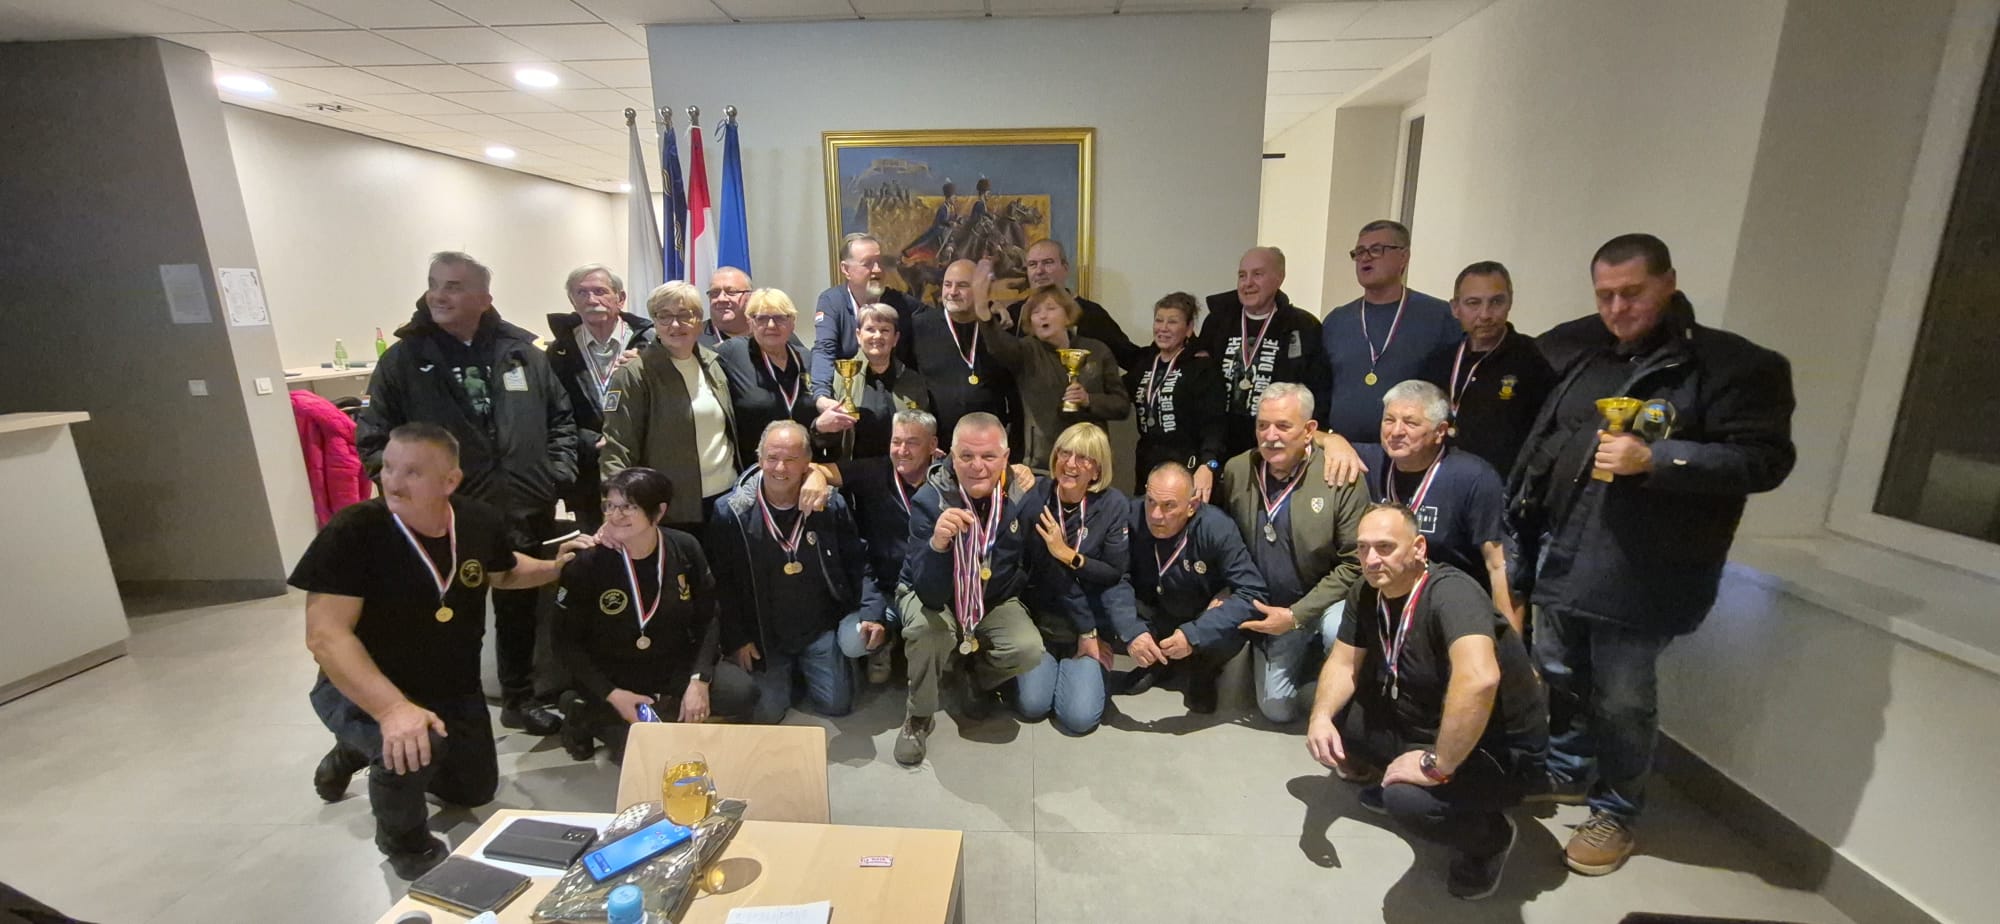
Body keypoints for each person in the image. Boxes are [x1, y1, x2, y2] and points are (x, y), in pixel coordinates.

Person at [1507, 233, 1795, 875]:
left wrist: (1658, 459)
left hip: (1641, 568)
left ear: (1668, 282)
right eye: (1605, 295)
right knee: (1560, 671)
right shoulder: (1587, 356)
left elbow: (1766, 460)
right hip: (1563, 550)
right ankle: (1567, 770)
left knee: (1622, 698)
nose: (1617, 308)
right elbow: (1548, 444)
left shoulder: (1731, 366)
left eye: (1632, 292)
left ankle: (1616, 810)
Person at [296, 424, 586, 878]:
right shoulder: (354, 531)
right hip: (365, 688)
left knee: (474, 789)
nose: (393, 482)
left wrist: (555, 567)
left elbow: (504, 572)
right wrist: (392, 710)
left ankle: (356, 749)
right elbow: (326, 636)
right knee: (412, 745)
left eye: (411, 472)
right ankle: (404, 841)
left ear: (450, 481)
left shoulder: (477, 521)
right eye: (388, 468)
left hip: (451, 686)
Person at [356, 251, 577, 738]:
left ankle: (519, 698)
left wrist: (555, 475)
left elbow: (560, 419)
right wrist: (409, 495)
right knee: (446, 614)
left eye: (453, 286)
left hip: (522, 503)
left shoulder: (522, 354)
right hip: (444, 515)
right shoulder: (404, 360)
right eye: (434, 284)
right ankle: (428, 707)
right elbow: (373, 439)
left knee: (519, 608)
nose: (439, 295)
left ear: (484, 298)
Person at [1305, 503, 1548, 901]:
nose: (1371, 559)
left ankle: (1490, 838)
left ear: (1418, 548)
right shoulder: (1368, 591)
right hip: (1425, 717)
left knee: (1406, 801)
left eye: (1385, 547)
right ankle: (1402, 770)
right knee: (1337, 717)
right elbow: (1344, 661)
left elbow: (1480, 679)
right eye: (1363, 548)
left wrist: (1437, 765)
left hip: (1496, 747)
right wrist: (1319, 718)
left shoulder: (1452, 593)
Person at [553, 468, 755, 763]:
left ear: (658, 512)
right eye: (609, 506)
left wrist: (699, 680)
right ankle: (582, 712)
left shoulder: (685, 547)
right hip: (614, 672)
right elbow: (564, 642)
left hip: (671, 661)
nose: (615, 516)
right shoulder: (588, 562)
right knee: (644, 755)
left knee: (743, 693)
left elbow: (709, 617)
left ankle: (661, 707)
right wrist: (611, 693)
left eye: (628, 507)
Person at [894, 413, 1054, 765]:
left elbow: (1032, 559)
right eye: (966, 456)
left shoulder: (1023, 496)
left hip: (992, 596)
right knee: (928, 631)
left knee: (1028, 648)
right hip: (933, 594)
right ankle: (918, 716)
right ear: (952, 456)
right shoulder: (930, 500)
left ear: (1006, 457)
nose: (977, 466)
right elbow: (930, 593)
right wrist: (937, 545)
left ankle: (973, 675)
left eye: (988, 456)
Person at [1216, 383, 1366, 724]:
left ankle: (1345, 705)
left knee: (1336, 628)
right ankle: (1285, 654)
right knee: (1277, 709)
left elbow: (1355, 563)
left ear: (1310, 430)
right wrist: (1226, 589)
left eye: (1283, 426)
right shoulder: (1238, 469)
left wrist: (1297, 615)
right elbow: (1228, 543)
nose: (1271, 436)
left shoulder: (1339, 474)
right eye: (1262, 425)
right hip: (1274, 605)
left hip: (1327, 602)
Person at [708, 421, 875, 723]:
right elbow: (723, 583)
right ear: (759, 459)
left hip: (818, 628)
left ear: (808, 463)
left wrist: (869, 610)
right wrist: (737, 639)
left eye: (791, 459)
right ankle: (789, 674)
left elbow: (856, 560)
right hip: (764, 637)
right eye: (772, 458)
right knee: (767, 715)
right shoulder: (731, 512)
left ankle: (819, 665)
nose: (780, 468)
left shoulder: (830, 504)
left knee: (837, 705)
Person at [1352, 380, 1518, 631]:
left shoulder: (1473, 477)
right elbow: (1305, 439)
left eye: (1410, 423)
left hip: (1453, 604)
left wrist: (1508, 641)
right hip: (1381, 602)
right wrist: (1333, 443)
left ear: (1440, 431)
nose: (1396, 431)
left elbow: (1498, 565)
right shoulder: (1368, 461)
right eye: (1389, 420)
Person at [1015, 423, 1134, 736]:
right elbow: (1045, 572)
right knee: (1032, 705)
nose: (1070, 463)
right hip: (1044, 622)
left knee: (1079, 719)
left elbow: (1113, 572)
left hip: (1092, 623)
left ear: (1097, 469)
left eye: (1083, 458)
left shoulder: (1113, 504)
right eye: (1064, 453)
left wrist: (1068, 554)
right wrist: (1086, 629)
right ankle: (1052, 666)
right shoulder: (1037, 498)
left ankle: (1077, 669)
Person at [1118, 462, 1264, 715]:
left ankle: (1203, 670)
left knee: (1229, 614)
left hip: (1201, 612)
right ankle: (1156, 662)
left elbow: (1252, 593)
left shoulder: (1217, 527)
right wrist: (1131, 630)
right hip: (1155, 608)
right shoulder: (1131, 515)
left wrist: (1195, 634)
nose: (1156, 515)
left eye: (1169, 506)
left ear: (1192, 506)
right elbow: (1116, 578)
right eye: (1151, 501)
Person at [810, 409, 940, 685]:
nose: (902, 451)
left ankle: (933, 653)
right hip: (884, 589)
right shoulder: (874, 471)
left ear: (932, 445)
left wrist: (1020, 470)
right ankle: (885, 640)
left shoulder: (947, 477)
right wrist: (816, 477)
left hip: (930, 590)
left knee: (932, 632)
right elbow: (819, 469)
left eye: (912, 442)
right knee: (851, 640)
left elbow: (990, 468)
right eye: (896, 441)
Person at [600, 282, 739, 529]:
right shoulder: (635, 373)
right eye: (664, 316)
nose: (675, 325)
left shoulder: (713, 364)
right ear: (654, 322)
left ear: (699, 320)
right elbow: (618, 447)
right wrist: (615, 510)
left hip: (726, 499)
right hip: (670, 507)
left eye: (685, 315)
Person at [1319, 220, 1461, 442]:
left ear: (1404, 257)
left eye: (1376, 250)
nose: (1365, 258)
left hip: (1411, 450)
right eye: (1359, 252)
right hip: (1344, 449)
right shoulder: (1337, 320)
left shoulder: (1439, 316)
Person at [545, 264, 654, 533]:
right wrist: (589, 440)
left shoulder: (651, 345)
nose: (591, 299)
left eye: (600, 291)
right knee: (598, 545)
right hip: (588, 474)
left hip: (644, 464)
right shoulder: (558, 352)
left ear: (620, 298)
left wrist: (648, 366)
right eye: (581, 293)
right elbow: (552, 414)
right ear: (572, 301)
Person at [1196, 246, 1329, 460]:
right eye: (1242, 275)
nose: (1247, 283)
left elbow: (1319, 391)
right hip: (1219, 445)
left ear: (1279, 278)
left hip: (1277, 445)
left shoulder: (1303, 326)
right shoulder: (1217, 322)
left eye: (1257, 274)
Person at [985, 282, 1130, 466]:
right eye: (1035, 312)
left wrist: (1089, 400)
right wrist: (985, 313)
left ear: (1068, 315)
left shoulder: (1097, 351)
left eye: (1050, 308)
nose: (1042, 316)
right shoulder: (1026, 351)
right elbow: (998, 345)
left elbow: (1121, 405)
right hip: (1044, 462)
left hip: (1090, 460)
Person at [1437, 261, 1557, 478]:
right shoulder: (1439, 361)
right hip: (1443, 481)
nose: (1485, 314)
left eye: (1496, 302)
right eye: (1473, 303)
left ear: (1510, 302)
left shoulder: (1532, 360)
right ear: (1455, 308)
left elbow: (1547, 435)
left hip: (1502, 486)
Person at [716, 288, 836, 469]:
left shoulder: (807, 359)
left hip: (808, 469)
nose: (771, 325)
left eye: (780, 318)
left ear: (793, 322)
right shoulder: (733, 353)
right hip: (756, 471)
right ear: (750, 322)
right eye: (762, 318)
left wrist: (821, 427)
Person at [1128, 292, 1226, 501]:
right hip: (1147, 465)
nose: (1163, 328)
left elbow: (1214, 425)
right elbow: (1118, 393)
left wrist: (1208, 465)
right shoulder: (1145, 364)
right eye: (1159, 320)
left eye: (1172, 322)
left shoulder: (1202, 368)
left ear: (1189, 328)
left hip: (1186, 465)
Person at [907, 259, 1016, 446]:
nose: (952, 292)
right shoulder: (919, 327)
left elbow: (1014, 390)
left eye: (962, 285)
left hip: (988, 446)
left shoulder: (997, 327)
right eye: (947, 284)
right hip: (938, 447)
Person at [813, 233, 920, 406]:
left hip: (895, 397)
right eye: (868, 263)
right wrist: (821, 396)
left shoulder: (901, 302)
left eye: (879, 261)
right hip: (851, 398)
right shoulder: (832, 301)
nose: (877, 269)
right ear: (846, 269)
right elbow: (824, 349)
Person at [1001, 239, 1142, 370]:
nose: (1039, 271)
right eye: (1032, 265)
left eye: (1048, 263)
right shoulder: (1014, 313)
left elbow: (1131, 359)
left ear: (1065, 268)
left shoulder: (1091, 313)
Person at [825, 302, 933, 460]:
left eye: (885, 330)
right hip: (853, 469)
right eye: (870, 329)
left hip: (901, 468)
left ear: (895, 338)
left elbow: (924, 429)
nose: (877, 336)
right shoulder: (839, 376)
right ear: (858, 335)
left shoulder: (913, 380)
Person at [697, 266, 754, 348]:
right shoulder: (694, 339)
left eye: (731, 292)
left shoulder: (767, 334)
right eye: (715, 292)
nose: (721, 299)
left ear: (750, 296)